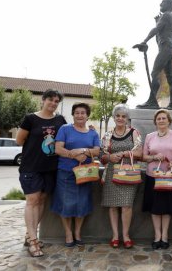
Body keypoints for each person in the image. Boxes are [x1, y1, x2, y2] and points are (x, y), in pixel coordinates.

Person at [16, 89, 66, 257]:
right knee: (32, 200)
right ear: (43, 100)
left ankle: (29, 235)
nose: (53, 103)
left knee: (42, 199)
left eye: (56, 101)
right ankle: (33, 241)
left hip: (51, 168)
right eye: (50, 100)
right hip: (31, 167)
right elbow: (19, 140)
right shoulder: (30, 119)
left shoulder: (60, 120)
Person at [51, 102, 100, 247]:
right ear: (73, 115)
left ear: (87, 115)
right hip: (66, 173)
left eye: (83, 113)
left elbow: (97, 151)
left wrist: (83, 151)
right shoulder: (65, 129)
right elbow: (58, 149)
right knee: (65, 204)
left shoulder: (93, 133)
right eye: (77, 112)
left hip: (85, 174)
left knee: (82, 204)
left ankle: (77, 233)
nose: (80, 115)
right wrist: (74, 156)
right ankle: (68, 233)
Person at [100, 104, 142, 249]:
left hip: (129, 173)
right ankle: (115, 236)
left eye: (123, 116)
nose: (120, 118)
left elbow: (140, 153)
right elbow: (102, 156)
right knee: (112, 206)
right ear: (114, 117)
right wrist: (109, 157)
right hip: (112, 172)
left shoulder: (134, 133)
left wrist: (125, 153)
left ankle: (126, 236)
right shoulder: (107, 135)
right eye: (117, 116)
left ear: (127, 118)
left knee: (126, 206)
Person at [142, 109, 172, 249]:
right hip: (153, 176)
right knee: (155, 208)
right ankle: (157, 236)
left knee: (167, 208)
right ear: (155, 121)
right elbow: (144, 157)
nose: (161, 120)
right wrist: (154, 157)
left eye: (164, 118)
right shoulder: (149, 136)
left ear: (169, 121)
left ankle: (165, 236)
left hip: (171, 177)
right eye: (159, 118)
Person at [133, 0, 172, 109]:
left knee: (155, 73)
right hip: (167, 48)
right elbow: (161, 31)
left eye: (162, 2)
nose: (160, 5)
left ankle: (152, 101)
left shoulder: (167, 15)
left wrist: (144, 41)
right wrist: (158, 21)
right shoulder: (169, 16)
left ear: (169, 4)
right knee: (171, 77)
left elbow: (156, 30)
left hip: (165, 48)